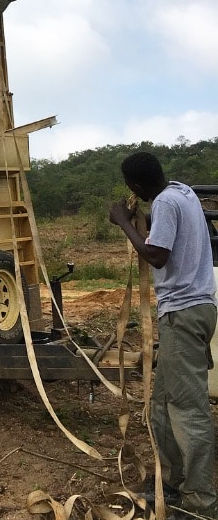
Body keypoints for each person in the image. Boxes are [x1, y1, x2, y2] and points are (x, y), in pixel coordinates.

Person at [109, 152, 217, 520]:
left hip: (183, 315)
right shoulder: (182, 192)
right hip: (191, 313)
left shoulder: (167, 203)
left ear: (134, 186)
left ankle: (200, 502)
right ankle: (169, 483)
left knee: (189, 411)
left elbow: (156, 255)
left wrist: (124, 222)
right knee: (162, 407)